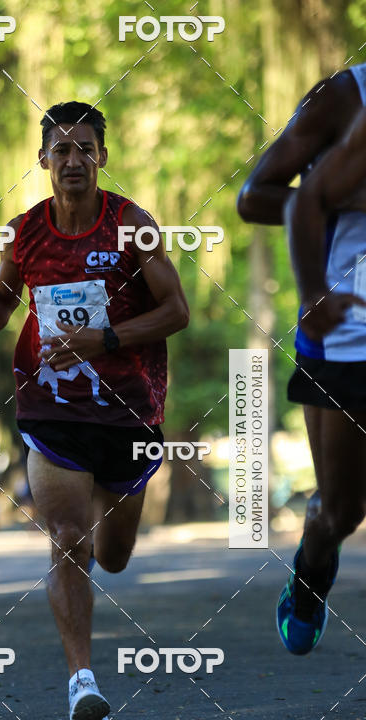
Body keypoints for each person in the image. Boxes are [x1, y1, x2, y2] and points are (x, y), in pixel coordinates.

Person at [0, 101, 189, 720]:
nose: (73, 160)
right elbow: (3, 294)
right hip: (51, 408)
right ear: (42, 160)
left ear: (102, 158)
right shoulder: (26, 231)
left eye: (85, 149)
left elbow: (176, 311)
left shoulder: (132, 224)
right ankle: (82, 683)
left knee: (111, 556)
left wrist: (104, 339)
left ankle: (98, 545)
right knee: (67, 539)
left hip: (128, 414)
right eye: (60, 150)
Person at [238, 65, 366, 654]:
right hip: (348, 328)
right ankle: (313, 570)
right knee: (341, 510)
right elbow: (256, 198)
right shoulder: (344, 99)